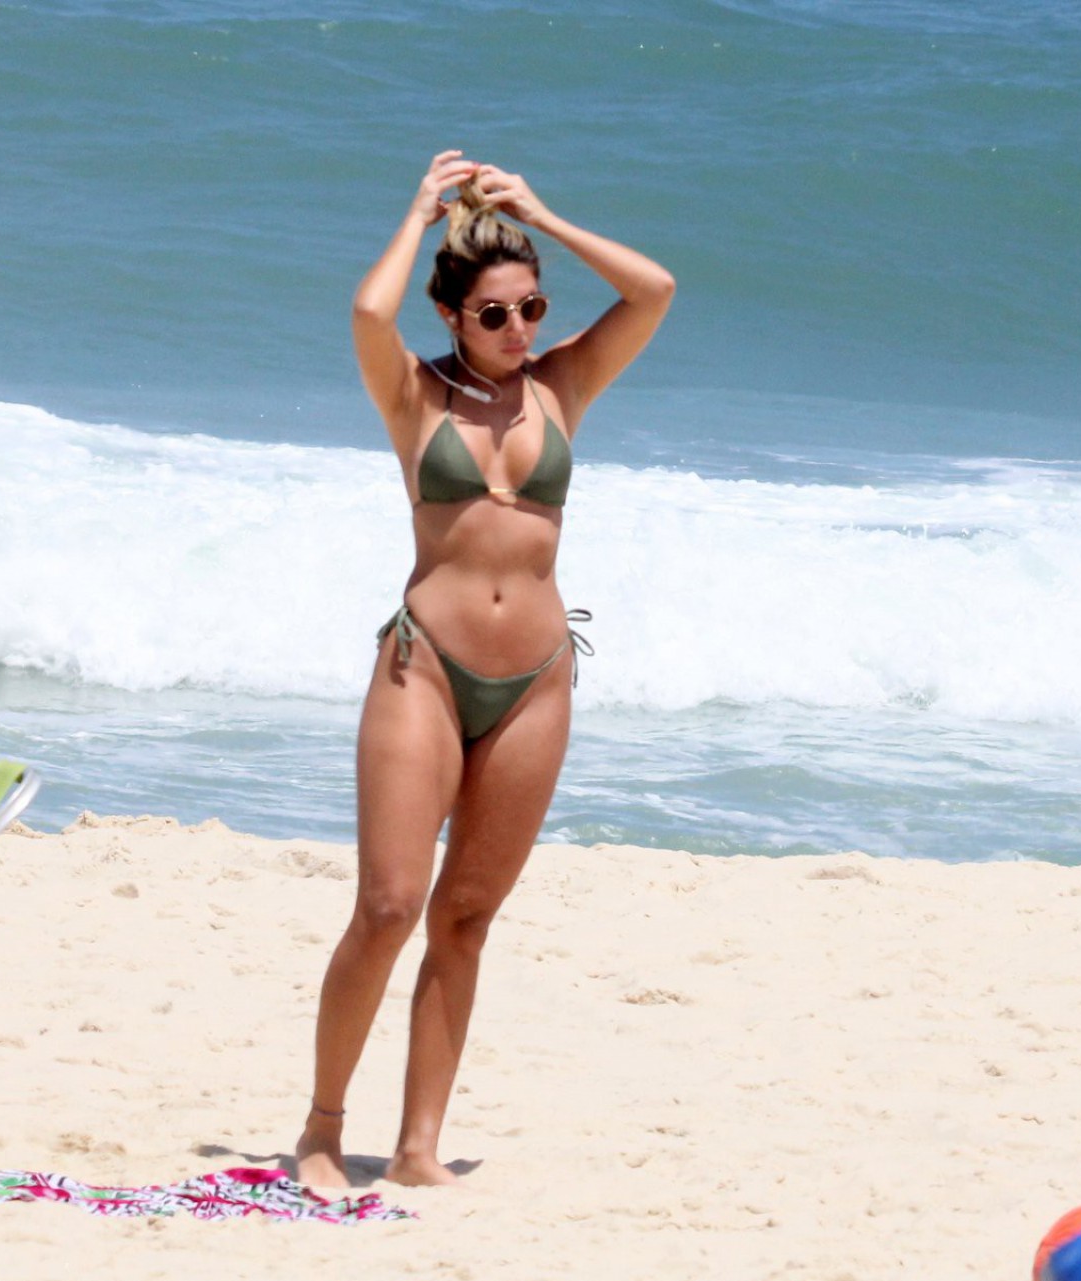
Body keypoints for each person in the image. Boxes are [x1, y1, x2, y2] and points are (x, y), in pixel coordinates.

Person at [294, 151, 675, 1188]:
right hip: (426, 668)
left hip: (539, 679)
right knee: (388, 904)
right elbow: (369, 315)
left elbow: (655, 290)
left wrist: (545, 215)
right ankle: (322, 1133)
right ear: (455, 318)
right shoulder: (413, 396)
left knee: (467, 916)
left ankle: (417, 1148)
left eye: (533, 309)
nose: (521, 330)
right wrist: (418, 214)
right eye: (496, 314)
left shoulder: (562, 387)